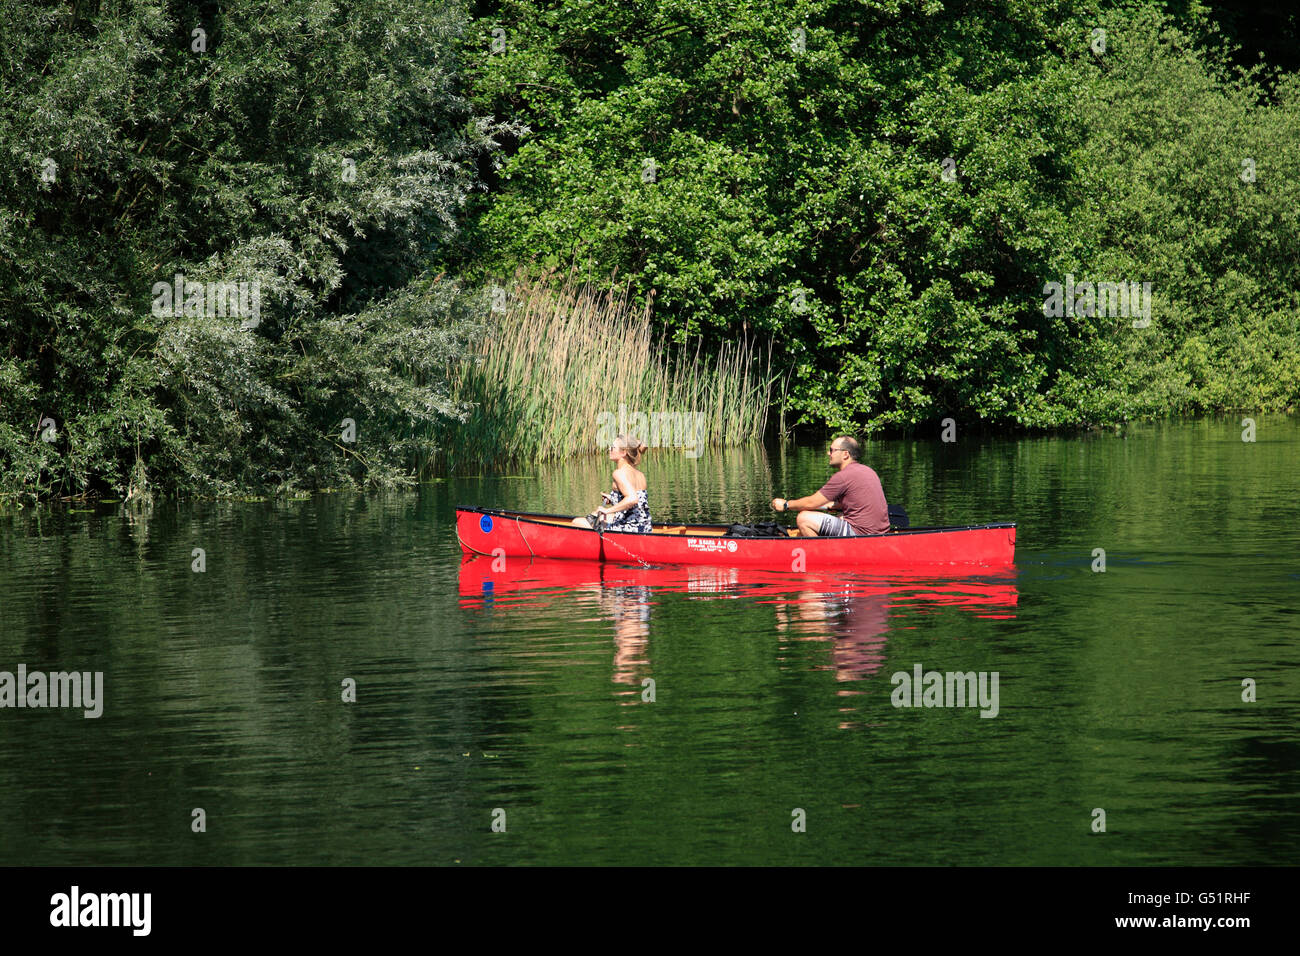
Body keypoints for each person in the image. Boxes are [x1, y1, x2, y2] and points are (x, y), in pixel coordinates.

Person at [770, 436, 889, 536]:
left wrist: (786, 505)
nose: (828, 453)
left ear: (845, 454)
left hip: (860, 533)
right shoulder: (868, 471)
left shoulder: (843, 476)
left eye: (832, 450)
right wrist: (828, 506)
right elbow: (854, 504)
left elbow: (811, 503)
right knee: (840, 516)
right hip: (879, 532)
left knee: (803, 518)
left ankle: (821, 556)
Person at [572, 435, 652, 533]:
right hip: (645, 526)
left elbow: (633, 499)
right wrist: (613, 498)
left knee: (576, 522)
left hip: (631, 528)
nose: (609, 449)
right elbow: (637, 503)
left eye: (612, 447)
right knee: (596, 515)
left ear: (623, 453)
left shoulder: (618, 473)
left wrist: (607, 510)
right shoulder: (640, 475)